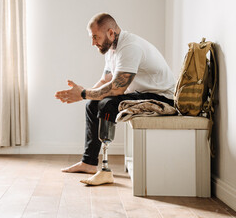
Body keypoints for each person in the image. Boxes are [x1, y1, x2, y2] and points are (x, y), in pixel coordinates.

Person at [55, 13, 175, 185]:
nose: (93, 43)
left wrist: (82, 93)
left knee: (107, 104)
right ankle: (89, 162)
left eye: (96, 37)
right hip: (141, 93)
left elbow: (117, 88)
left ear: (111, 33)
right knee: (92, 104)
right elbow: (105, 81)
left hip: (162, 97)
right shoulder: (111, 49)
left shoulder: (130, 47)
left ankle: (105, 170)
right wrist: (84, 94)